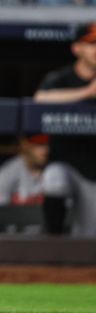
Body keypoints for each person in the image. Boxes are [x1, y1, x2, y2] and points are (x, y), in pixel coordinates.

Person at [34, 23, 96, 236]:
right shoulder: (60, 78)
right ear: (77, 48)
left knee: (89, 238)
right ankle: (53, 236)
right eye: (91, 44)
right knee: (54, 180)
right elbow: (40, 99)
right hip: (67, 166)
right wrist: (87, 93)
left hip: (93, 173)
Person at [0, 134, 49, 206]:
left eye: (48, 144)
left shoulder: (56, 171)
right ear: (25, 145)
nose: (46, 150)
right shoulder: (7, 172)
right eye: (40, 144)